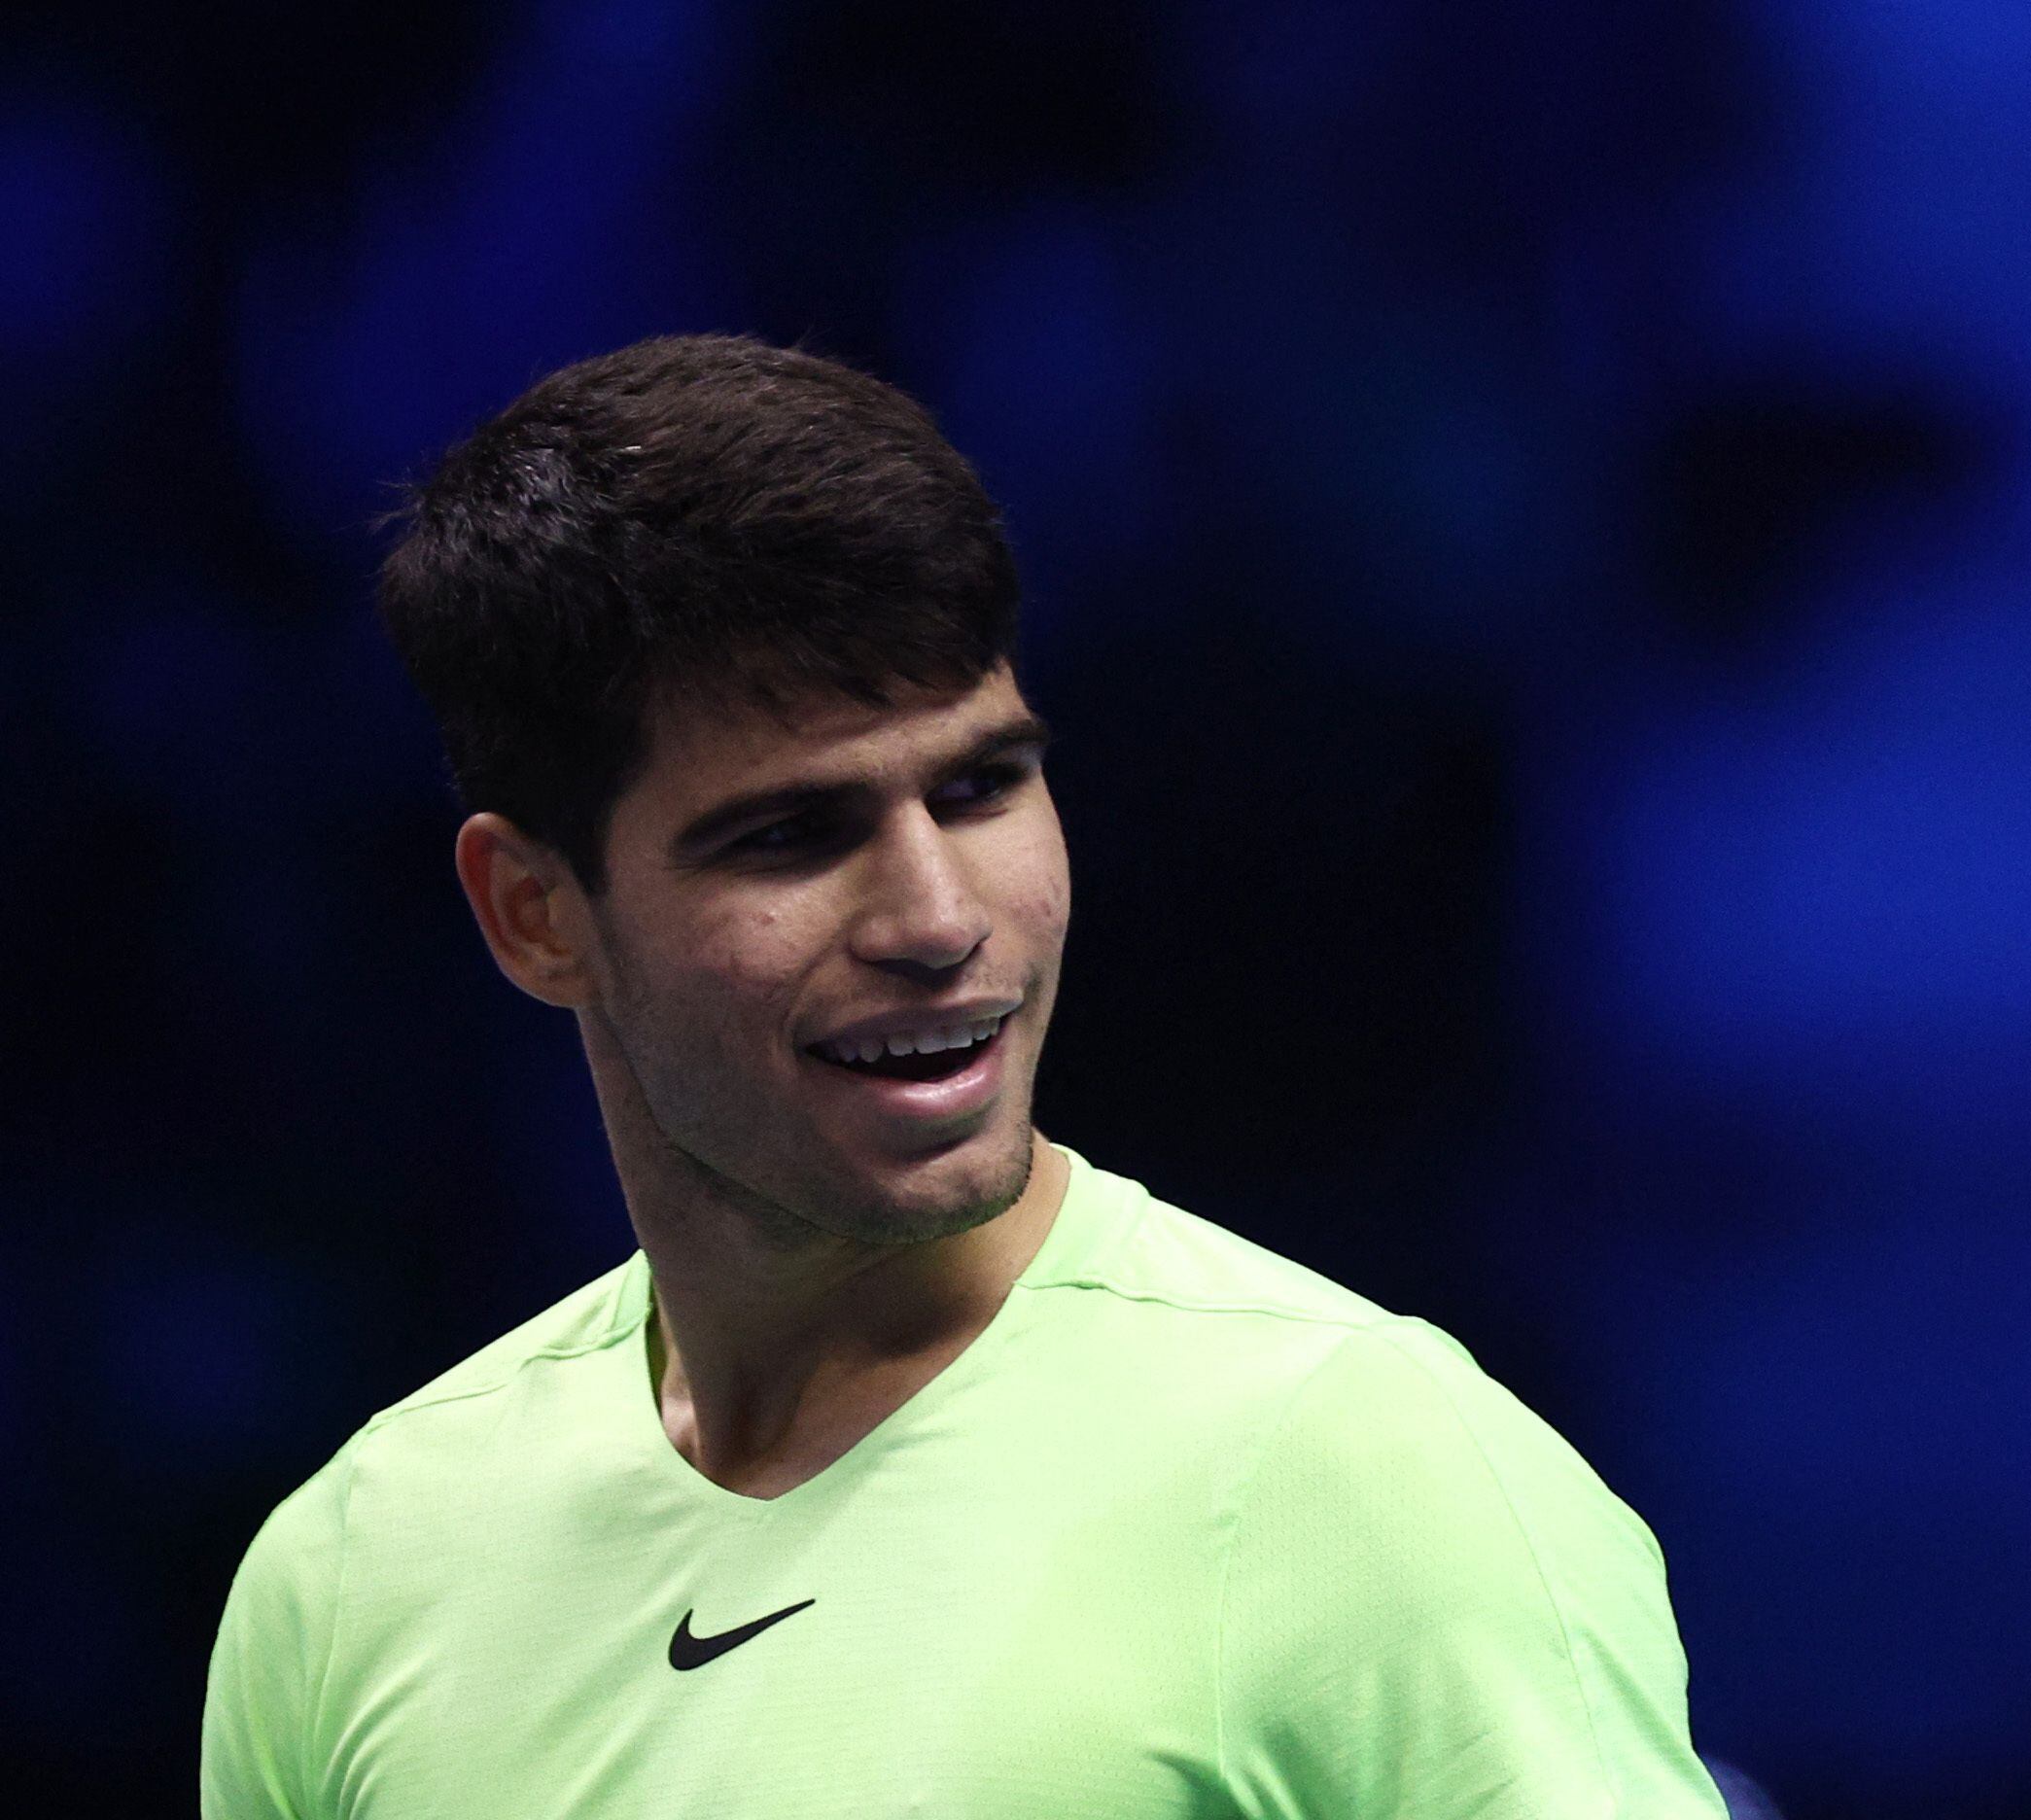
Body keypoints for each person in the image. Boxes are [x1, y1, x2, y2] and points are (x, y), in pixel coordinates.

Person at [199, 332, 1728, 1817]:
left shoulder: (1371, 1470)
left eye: (984, 785)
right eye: (792, 835)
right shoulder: (353, 1574)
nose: (940, 920)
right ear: (536, 915)